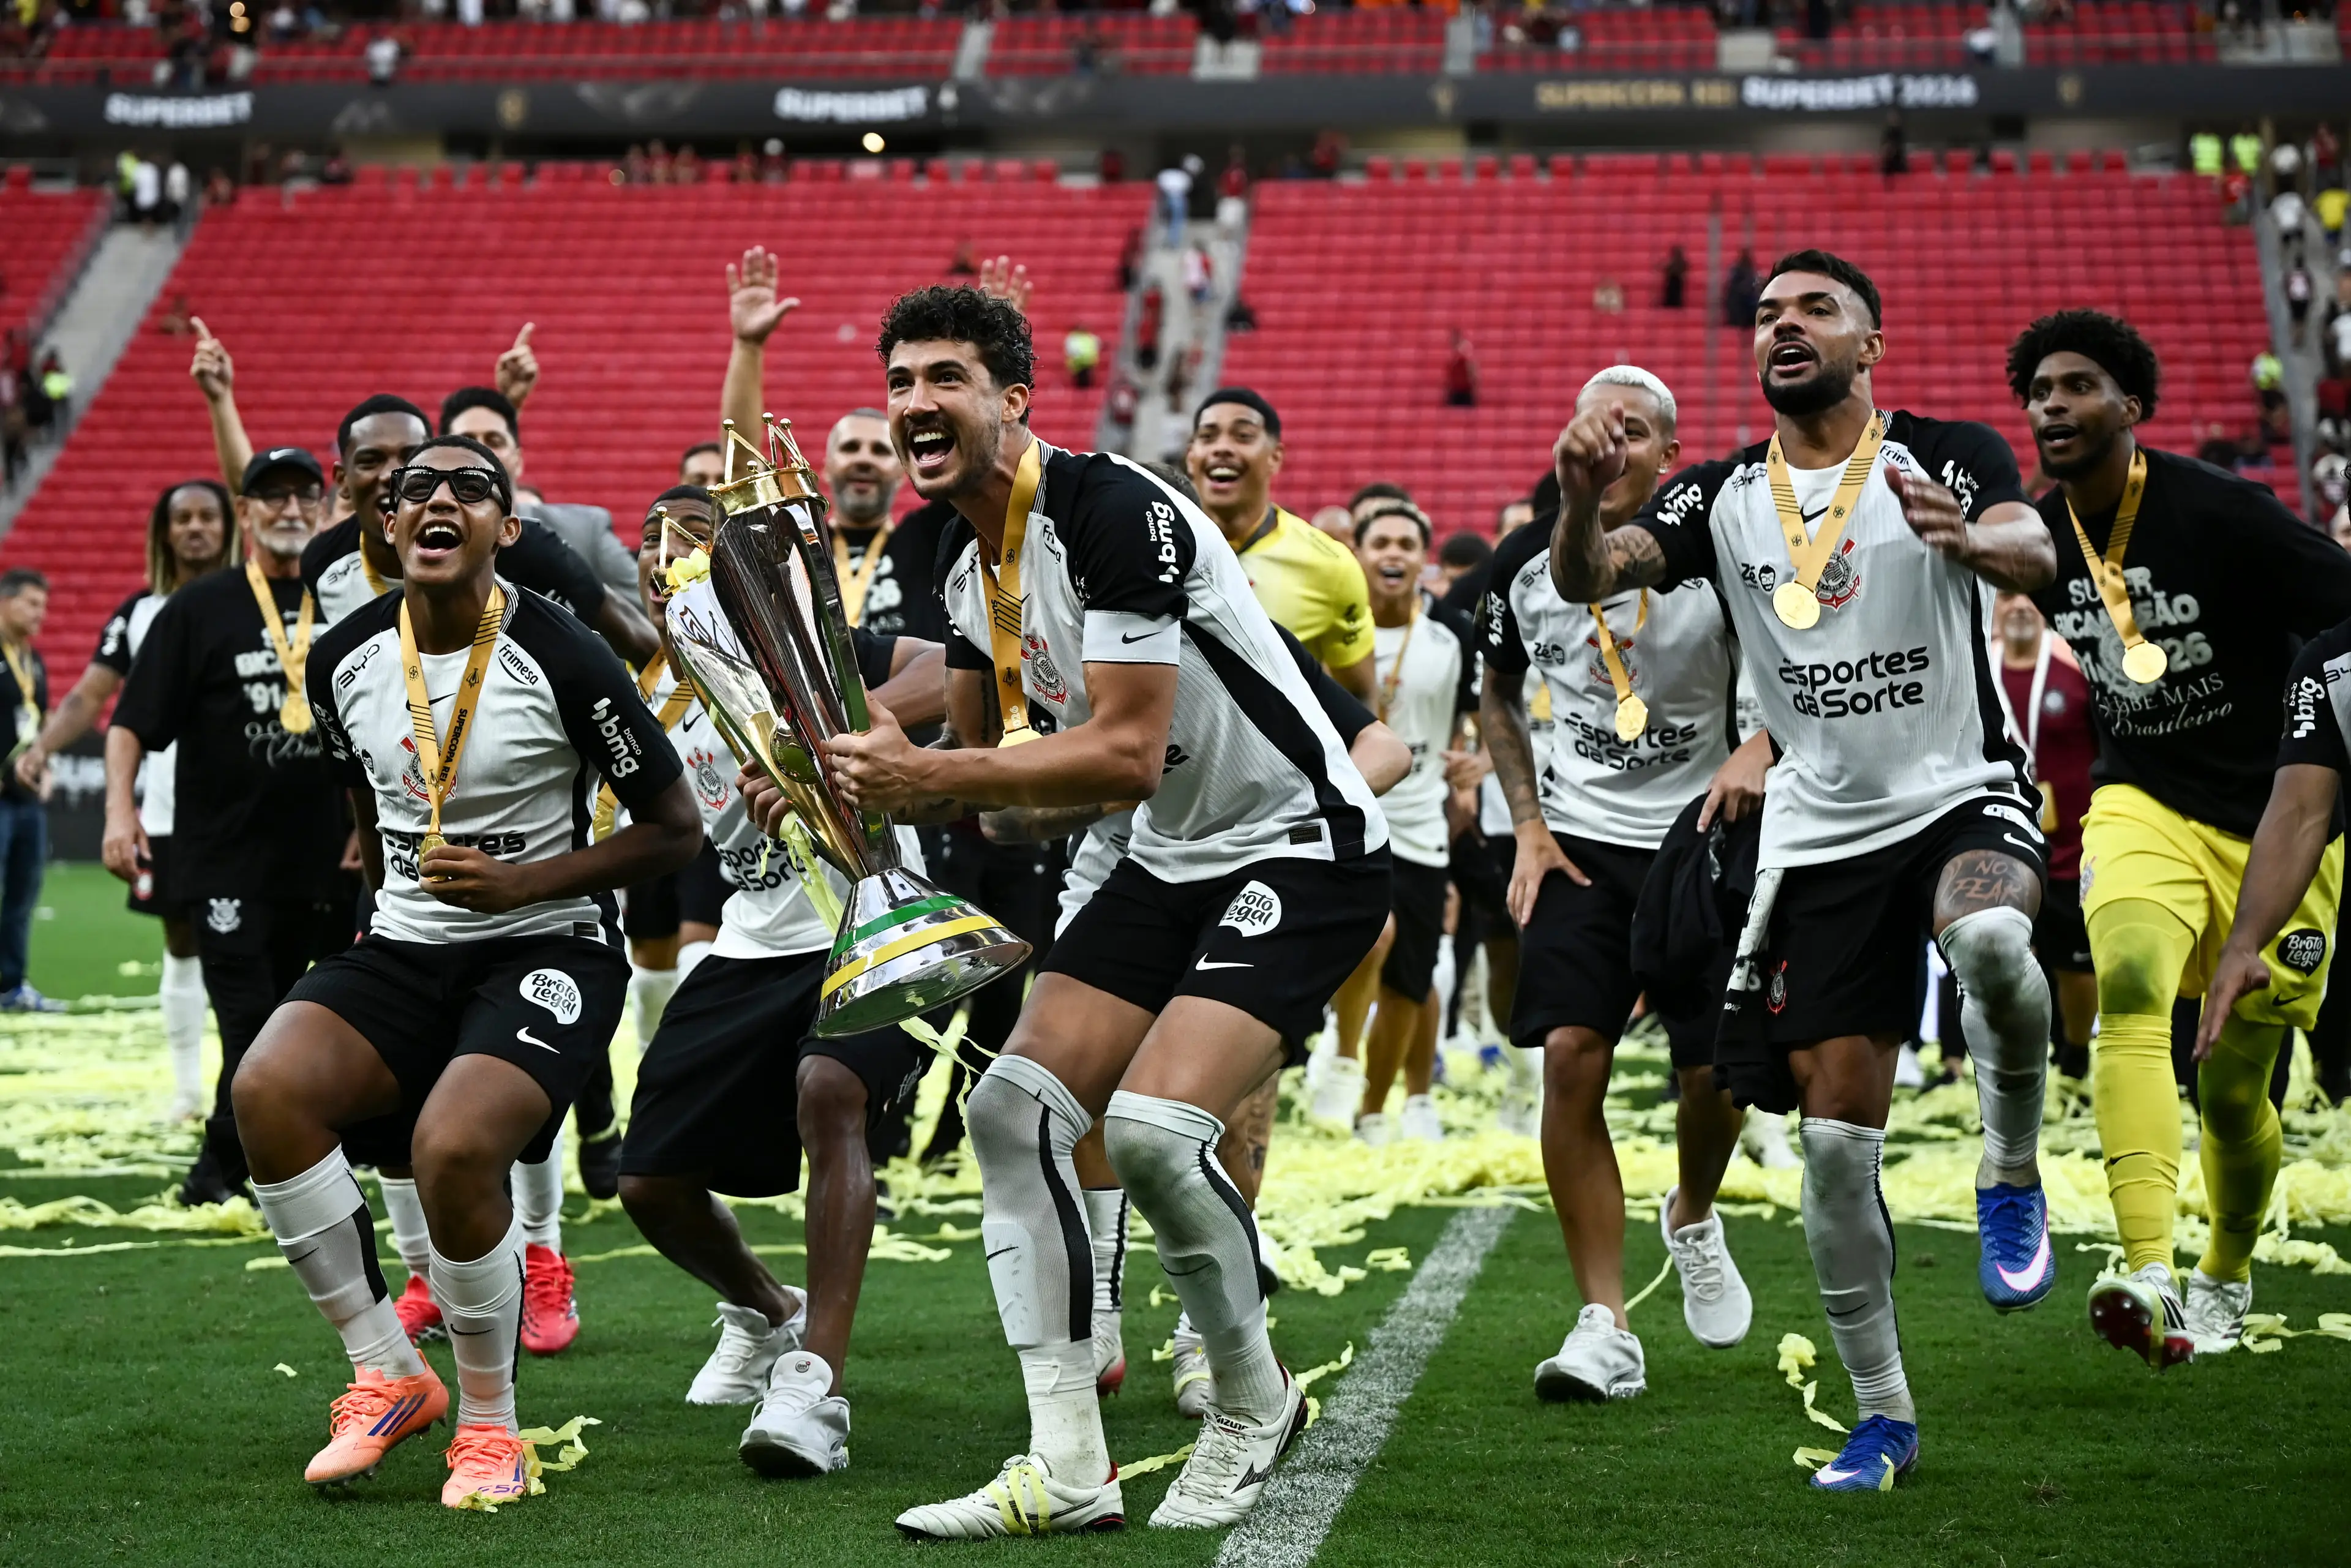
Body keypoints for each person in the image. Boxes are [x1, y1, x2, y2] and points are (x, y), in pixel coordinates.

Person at [745, 283, 1388, 1536]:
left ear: (1013, 399)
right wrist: (851, 786)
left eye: (945, 378)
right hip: (1174, 853)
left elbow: (1128, 751)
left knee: (1149, 1128)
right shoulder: (957, 550)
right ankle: (1068, 1464)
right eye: (899, 382)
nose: (915, 403)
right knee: (1012, 1109)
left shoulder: (1109, 508)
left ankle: (1254, 1397)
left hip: (1304, 844)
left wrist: (928, 769)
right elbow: (1003, 795)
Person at [1553, 251, 2059, 1492]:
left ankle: (2010, 1163)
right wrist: (1575, 500)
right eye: (1768, 312)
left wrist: (1978, 544)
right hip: (1819, 837)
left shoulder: (1944, 449)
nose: (1784, 324)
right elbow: (1590, 575)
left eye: (1815, 308)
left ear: (1869, 343)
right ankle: (1883, 1414)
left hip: (1956, 792)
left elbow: (2033, 544)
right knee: (1837, 1150)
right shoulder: (1722, 492)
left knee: (1993, 943)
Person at [230, 435, 700, 1509]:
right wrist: (366, 942)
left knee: (451, 1149)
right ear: (384, 526)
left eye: (470, 490)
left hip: (552, 945)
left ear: (508, 528)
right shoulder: (343, 655)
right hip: (402, 944)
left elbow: (675, 829)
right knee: (267, 1089)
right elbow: (369, 816)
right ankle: (390, 1376)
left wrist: (527, 883)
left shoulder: (566, 653)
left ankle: (492, 1431)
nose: (438, 502)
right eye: (414, 491)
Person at [2008, 308, 2351, 1360]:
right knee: (2130, 987)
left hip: (2279, 819)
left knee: (2238, 1085)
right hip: (2142, 802)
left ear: (2131, 408)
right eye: (2040, 389)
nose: (2053, 404)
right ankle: (2149, 1269)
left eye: (2077, 385)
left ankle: (2226, 1272)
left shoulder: (2224, 514)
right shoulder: (2036, 532)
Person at [616, 485, 947, 1478]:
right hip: (755, 940)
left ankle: (817, 1384)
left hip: (873, 918)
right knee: (648, 1183)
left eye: (691, 536)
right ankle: (770, 1311)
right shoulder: (640, 686)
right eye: (650, 540)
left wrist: (823, 735)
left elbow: (954, 669)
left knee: (831, 1092)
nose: (665, 553)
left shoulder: (810, 646)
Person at [1486, 366, 1768, 1401]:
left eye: (1635, 433)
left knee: (1714, 1076)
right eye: (1595, 428)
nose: (1611, 447)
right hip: (1580, 841)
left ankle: (1692, 1209)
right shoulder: (1524, 564)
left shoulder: (1722, 553)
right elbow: (1496, 691)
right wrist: (1524, 822)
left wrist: (1764, 747)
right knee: (1571, 1055)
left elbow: (1805, 655)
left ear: (1667, 459)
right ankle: (1604, 1320)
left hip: (1706, 832)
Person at [105, 447, 357, 1208]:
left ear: (322, 508)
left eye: (301, 495)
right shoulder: (199, 608)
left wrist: (372, 827)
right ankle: (234, 1170)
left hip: (333, 858)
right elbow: (129, 724)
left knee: (308, 1018)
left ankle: (235, 1165)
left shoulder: (349, 600)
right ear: (244, 514)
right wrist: (120, 812)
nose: (287, 509)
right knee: (251, 1019)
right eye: (269, 496)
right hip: (227, 862)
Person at [18, 479, 237, 1094]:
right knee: (180, 938)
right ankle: (190, 1089)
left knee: (255, 947)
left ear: (229, 526)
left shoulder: (259, 600)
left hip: (251, 807)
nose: (195, 527)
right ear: (164, 533)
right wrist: (42, 746)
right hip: (169, 808)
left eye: (207, 516)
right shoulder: (139, 611)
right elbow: (91, 694)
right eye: (182, 517)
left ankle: (253, 1089)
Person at [1338, 501, 1477, 1143]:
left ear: (1424, 558)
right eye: (1380, 542)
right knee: (1365, 943)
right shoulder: (1328, 632)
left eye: (1406, 543)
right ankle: (1334, 1062)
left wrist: (1472, 762)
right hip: (1340, 824)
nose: (1393, 553)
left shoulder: (1451, 637)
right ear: (1359, 555)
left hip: (1419, 829)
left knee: (1408, 981)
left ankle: (1373, 1108)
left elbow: (1479, 713)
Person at [1183, 388, 1376, 701]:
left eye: (1243, 436)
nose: (1222, 448)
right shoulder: (1152, 546)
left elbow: (1359, 695)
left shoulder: (1331, 565)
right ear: (1191, 456)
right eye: (1209, 437)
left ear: (1276, 457)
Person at [1982, 591, 2098, 1079]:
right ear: (1992, 605)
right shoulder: (1977, 667)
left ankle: (2074, 1054)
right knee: (2003, 959)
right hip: (2001, 841)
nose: (2021, 605)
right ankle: (2012, 1071)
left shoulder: (2076, 664)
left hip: (2073, 845)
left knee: (2076, 966)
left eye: (2031, 594)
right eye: (2008, 595)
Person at [440, 381, 642, 606]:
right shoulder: (428, 544)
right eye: (468, 441)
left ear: (519, 459)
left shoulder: (586, 532)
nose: (483, 452)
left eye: (494, 441)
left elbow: (651, 618)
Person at [0, 569, 54, 1013]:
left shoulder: (33, 659)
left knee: (21, 896)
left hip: (26, 801)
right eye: (33, 603)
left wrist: (47, 765)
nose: (42, 614)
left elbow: (41, 724)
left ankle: (12, 986)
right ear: (6, 601)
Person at [1445, 331, 1480, 407]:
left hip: (1466, 391)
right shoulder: (1452, 358)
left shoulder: (1466, 355)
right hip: (1456, 391)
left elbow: (1472, 373)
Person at [1065, 324, 1101, 389]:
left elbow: (1070, 351)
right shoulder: (1091, 337)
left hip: (1081, 361)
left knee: (1083, 376)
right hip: (1085, 361)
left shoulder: (1072, 338)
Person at [1661, 245, 1689, 310]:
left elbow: (1667, 268)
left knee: (1673, 292)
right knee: (1675, 293)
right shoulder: (1682, 262)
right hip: (1677, 279)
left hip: (1674, 279)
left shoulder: (1673, 262)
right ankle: (1675, 303)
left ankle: (1672, 304)